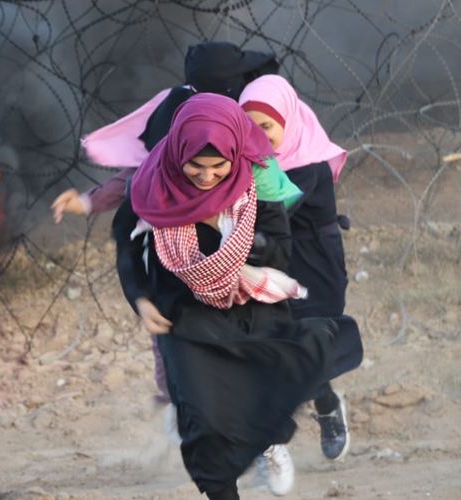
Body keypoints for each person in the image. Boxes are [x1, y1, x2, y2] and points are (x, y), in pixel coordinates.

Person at [113, 93, 335, 499]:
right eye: (195, 165)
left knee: (258, 404)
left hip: (251, 311)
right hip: (185, 316)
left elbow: (280, 248)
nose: (207, 176)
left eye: (219, 166)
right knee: (204, 423)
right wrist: (140, 299)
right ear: (178, 153)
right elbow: (127, 244)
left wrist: (234, 240)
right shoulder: (151, 184)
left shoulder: (256, 180)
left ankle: (269, 444)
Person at [239, 74, 357, 461]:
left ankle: (322, 408)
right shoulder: (248, 164)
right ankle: (276, 436)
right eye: (249, 128)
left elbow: (274, 212)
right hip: (274, 260)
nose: (258, 136)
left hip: (315, 267)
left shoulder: (309, 166)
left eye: (267, 126)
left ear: (287, 122)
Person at [52, 41, 278, 222]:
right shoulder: (177, 113)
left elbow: (277, 186)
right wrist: (88, 202)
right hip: (184, 231)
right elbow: (143, 169)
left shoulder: (253, 109)